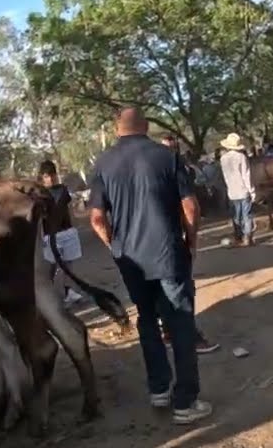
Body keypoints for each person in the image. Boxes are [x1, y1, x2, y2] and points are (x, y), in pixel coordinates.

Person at [88, 106, 212, 424]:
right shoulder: (167, 156)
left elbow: (97, 218)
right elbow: (190, 206)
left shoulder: (102, 163)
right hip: (168, 253)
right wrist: (192, 242)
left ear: (117, 128)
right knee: (180, 322)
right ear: (144, 126)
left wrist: (116, 247)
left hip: (131, 260)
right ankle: (185, 402)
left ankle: (158, 389)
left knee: (146, 319)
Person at [157, 136, 221, 354]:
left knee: (162, 288)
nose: (170, 151)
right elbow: (190, 207)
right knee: (181, 289)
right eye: (167, 148)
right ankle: (189, 338)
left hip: (144, 243)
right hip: (170, 238)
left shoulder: (148, 171)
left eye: (173, 148)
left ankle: (166, 330)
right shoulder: (176, 168)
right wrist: (192, 240)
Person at [38, 160, 86, 307]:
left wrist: (75, 228)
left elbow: (71, 210)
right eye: (47, 176)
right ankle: (48, 296)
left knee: (69, 265)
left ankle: (68, 292)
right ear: (42, 177)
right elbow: (39, 218)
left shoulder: (64, 190)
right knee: (53, 267)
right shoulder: (40, 195)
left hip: (68, 232)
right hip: (51, 236)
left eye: (52, 175)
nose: (50, 178)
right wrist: (41, 238)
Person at [218, 132, 255, 246]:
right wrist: (252, 190)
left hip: (232, 192)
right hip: (243, 190)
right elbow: (246, 175)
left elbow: (225, 176)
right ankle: (247, 237)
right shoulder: (241, 157)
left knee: (236, 216)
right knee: (246, 215)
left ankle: (238, 237)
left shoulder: (223, 159)